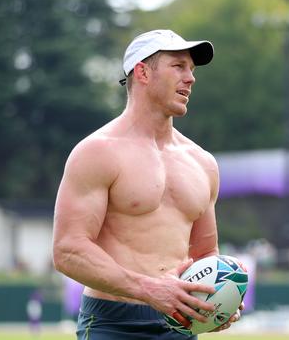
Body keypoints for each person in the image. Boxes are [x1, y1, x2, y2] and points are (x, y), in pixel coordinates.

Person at [52, 29, 241, 339]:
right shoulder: (97, 152)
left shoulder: (202, 162)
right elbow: (68, 250)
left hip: (179, 324)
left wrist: (217, 299)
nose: (190, 78)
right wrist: (149, 289)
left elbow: (206, 253)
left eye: (191, 69)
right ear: (142, 72)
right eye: (178, 66)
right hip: (112, 323)